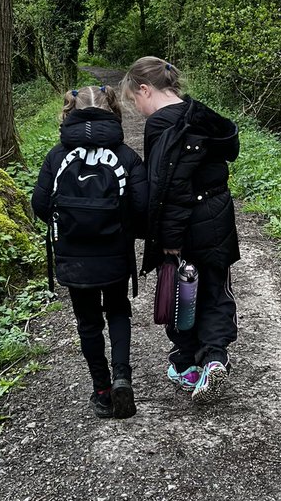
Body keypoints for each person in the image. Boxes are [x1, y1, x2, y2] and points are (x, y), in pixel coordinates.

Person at [121, 57, 239, 404]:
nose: (138, 109)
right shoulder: (202, 116)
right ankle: (215, 357)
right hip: (217, 219)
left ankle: (188, 363)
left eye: (135, 100)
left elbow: (165, 188)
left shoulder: (162, 125)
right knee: (215, 288)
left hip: (185, 225)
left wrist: (168, 240)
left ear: (146, 89)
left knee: (181, 296)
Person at [31, 85, 148, 420]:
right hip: (114, 254)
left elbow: (40, 204)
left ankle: (102, 390)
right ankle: (123, 376)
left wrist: (67, 225)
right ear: (112, 111)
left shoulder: (57, 156)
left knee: (88, 322)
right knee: (118, 310)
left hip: (74, 257)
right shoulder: (126, 156)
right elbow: (141, 206)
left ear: (70, 112)